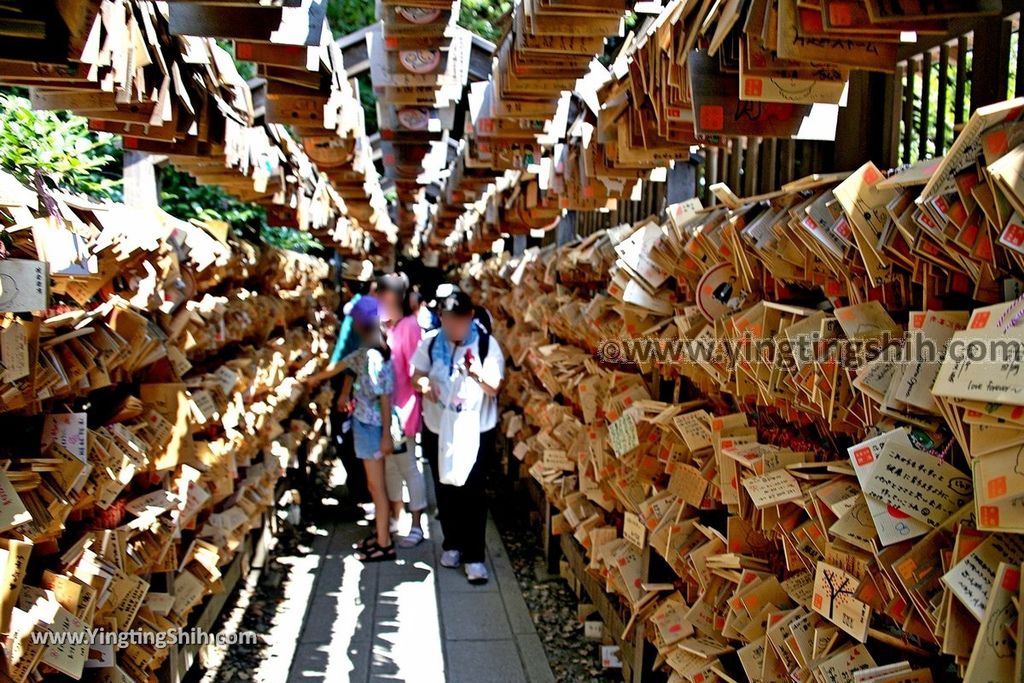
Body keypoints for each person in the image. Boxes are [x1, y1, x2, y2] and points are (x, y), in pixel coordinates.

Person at [412, 289, 504, 584]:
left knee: (473, 492)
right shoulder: (429, 343)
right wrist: (425, 385)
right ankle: (452, 543)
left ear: (470, 317)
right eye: (448, 321)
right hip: (439, 427)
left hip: (475, 430)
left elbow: (495, 387)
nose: (454, 327)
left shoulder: (487, 345)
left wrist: (476, 374)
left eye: (459, 321)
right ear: (441, 318)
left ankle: (475, 556)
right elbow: (416, 375)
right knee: (445, 488)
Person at [309, 296, 397, 562]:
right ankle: (381, 536)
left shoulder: (372, 356)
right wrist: (312, 378)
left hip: (372, 428)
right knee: (374, 486)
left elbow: (384, 396)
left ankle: (384, 543)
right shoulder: (365, 351)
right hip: (366, 425)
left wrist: (385, 435)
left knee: (377, 487)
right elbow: (340, 366)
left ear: (361, 323)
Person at [376, 273, 428, 547]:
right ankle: (395, 519)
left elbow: (414, 371)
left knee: (408, 466)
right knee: (391, 469)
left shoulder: (408, 327)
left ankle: (417, 523)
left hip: (402, 410)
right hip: (386, 411)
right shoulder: (390, 326)